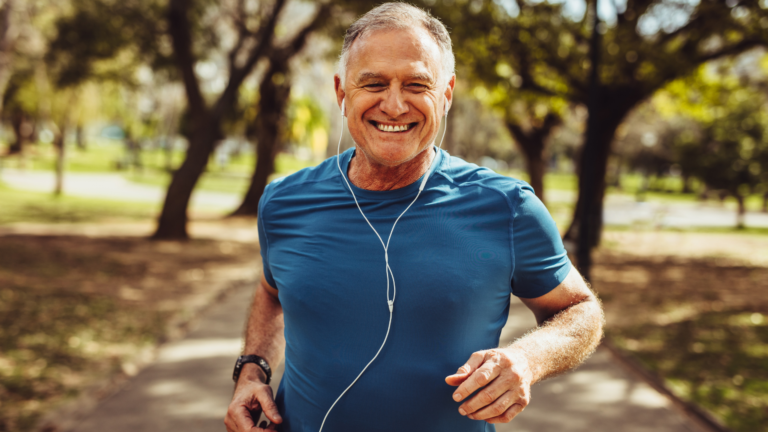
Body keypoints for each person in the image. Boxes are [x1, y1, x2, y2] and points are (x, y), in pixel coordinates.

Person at [225, 3, 603, 432]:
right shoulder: (284, 202)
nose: (394, 105)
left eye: (416, 84)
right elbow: (272, 290)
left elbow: (581, 310)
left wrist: (527, 360)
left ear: (446, 94)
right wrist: (252, 370)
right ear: (341, 92)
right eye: (373, 83)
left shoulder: (507, 207)